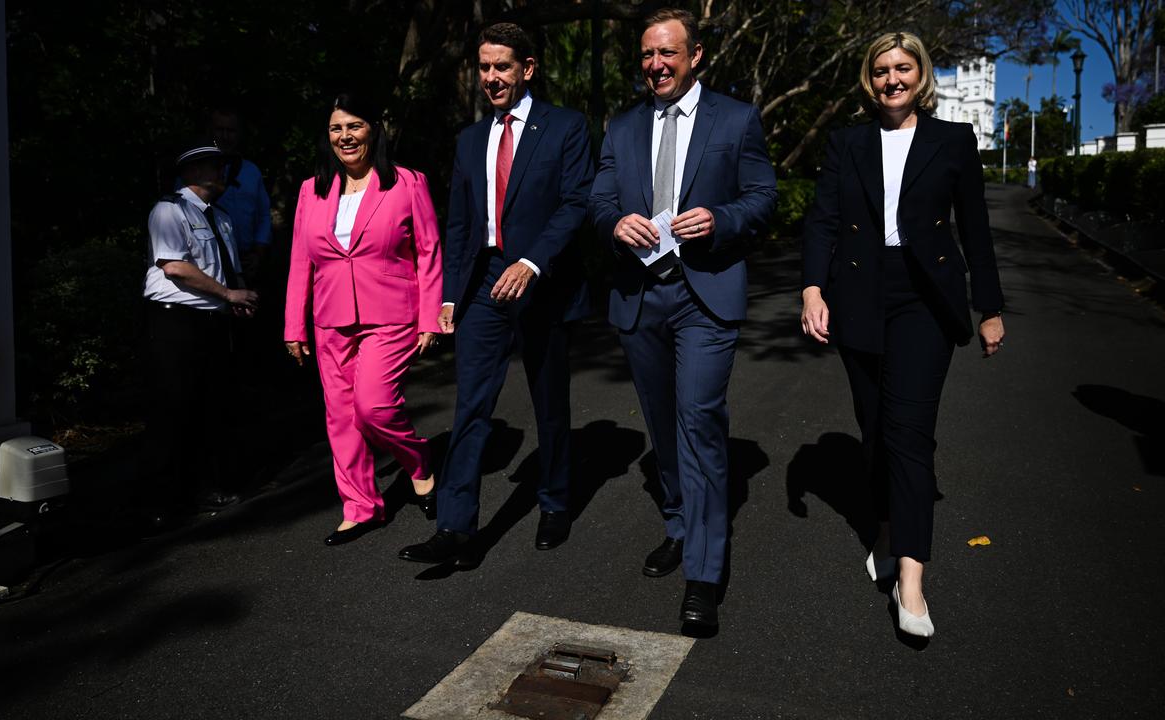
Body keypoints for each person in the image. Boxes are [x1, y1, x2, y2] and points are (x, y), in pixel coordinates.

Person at [800, 31, 1005, 639]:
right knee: (875, 430)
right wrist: (813, 290)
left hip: (925, 298)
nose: (893, 79)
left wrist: (987, 307)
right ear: (870, 78)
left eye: (903, 68)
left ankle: (911, 580)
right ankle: (886, 527)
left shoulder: (953, 139)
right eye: (882, 69)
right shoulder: (847, 143)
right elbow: (822, 222)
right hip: (859, 292)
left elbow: (976, 228)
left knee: (910, 432)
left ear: (921, 75)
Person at [589, 8, 777, 630]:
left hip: (706, 294)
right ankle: (678, 522)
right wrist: (614, 223)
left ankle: (703, 571)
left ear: (695, 56)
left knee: (698, 421)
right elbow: (599, 199)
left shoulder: (737, 118)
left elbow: (761, 198)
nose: (656, 65)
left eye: (667, 53)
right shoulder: (621, 126)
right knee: (663, 425)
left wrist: (720, 221)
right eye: (646, 54)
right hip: (640, 295)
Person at [398, 22, 593, 567]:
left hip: (541, 281)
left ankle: (555, 501)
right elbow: (459, 224)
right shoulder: (469, 139)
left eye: (501, 66)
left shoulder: (566, 127)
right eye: (484, 67)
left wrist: (532, 263)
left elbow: (575, 204)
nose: (491, 77)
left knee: (548, 402)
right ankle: (456, 529)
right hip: (484, 283)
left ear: (526, 69)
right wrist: (449, 296)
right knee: (472, 406)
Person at [284, 92, 444, 546]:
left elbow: (430, 251)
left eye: (354, 126)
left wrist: (430, 317)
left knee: (373, 408)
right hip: (329, 317)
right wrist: (293, 326)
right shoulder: (311, 189)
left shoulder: (407, 183)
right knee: (340, 418)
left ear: (373, 129)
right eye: (336, 128)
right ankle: (360, 507)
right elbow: (301, 261)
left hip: (391, 313)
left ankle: (418, 461)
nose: (345, 136)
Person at [140, 139, 259, 524]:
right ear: (191, 172)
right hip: (176, 321)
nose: (222, 172)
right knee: (172, 410)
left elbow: (228, 267)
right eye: (213, 165)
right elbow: (174, 266)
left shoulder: (221, 217)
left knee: (211, 408)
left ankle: (205, 489)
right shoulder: (168, 210)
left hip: (212, 322)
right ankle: (163, 503)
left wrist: (236, 297)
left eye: (223, 165)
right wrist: (228, 292)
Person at [209, 105, 272, 279]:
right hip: (210, 262)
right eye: (219, 130)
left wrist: (258, 254)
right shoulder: (195, 172)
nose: (225, 136)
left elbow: (264, 216)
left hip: (246, 261)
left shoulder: (252, 172)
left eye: (230, 131)